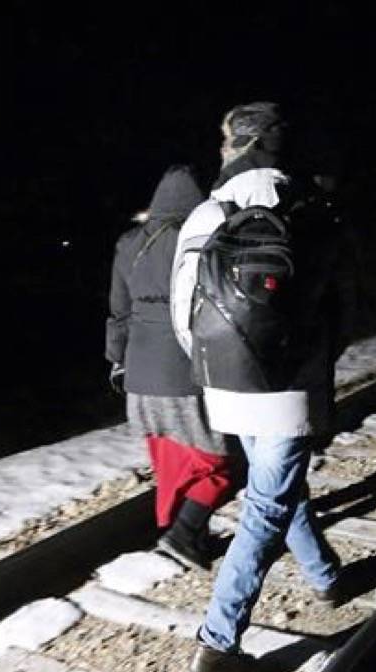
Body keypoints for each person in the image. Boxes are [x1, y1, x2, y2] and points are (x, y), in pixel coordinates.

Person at [170, 102, 347, 672]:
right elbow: (334, 304)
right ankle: (218, 643)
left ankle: (324, 576)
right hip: (287, 387)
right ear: (279, 145)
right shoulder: (304, 206)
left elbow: (181, 308)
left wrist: (216, 365)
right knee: (266, 506)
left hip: (225, 382)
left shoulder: (206, 211)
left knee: (276, 482)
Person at [106, 165, 236, 569]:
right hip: (184, 371)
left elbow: (119, 310)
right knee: (221, 462)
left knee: (172, 460)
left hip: (139, 375)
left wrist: (116, 359)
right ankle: (182, 533)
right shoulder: (205, 237)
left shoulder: (129, 243)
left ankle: (191, 536)